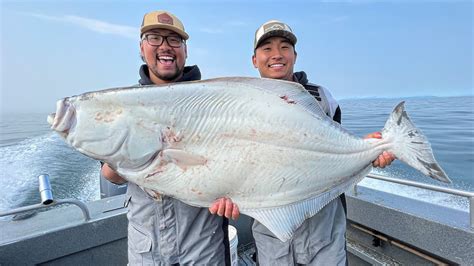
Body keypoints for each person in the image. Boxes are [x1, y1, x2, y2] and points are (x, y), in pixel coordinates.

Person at [210, 20, 395, 265]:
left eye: (285, 47)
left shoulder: (320, 98)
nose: (277, 54)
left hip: (324, 233)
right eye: (267, 48)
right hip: (272, 234)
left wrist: (367, 150)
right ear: (254, 60)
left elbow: (335, 148)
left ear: (295, 55)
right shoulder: (241, 105)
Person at [101, 10, 229, 265]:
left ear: (185, 50)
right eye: (155, 38)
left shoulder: (212, 101)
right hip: (146, 250)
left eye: (174, 40)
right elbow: (110, 175)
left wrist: (231, 190)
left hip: (203, 246)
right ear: (141, 48)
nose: (165, 47)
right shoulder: (124, 107)